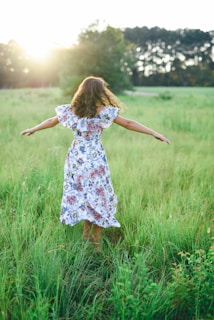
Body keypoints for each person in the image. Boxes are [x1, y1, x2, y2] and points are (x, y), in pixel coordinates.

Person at [21, 76, 170, 253]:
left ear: (81, 91)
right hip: (95, 160)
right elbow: (129, 124)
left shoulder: (70, 110)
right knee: (99, 197)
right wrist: (153, 132)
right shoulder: (104, 111)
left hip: (75, 160)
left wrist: (33, 128)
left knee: (84, 195)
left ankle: (86, 234)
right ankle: (97, 246)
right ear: (100, 92)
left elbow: (51, 121)